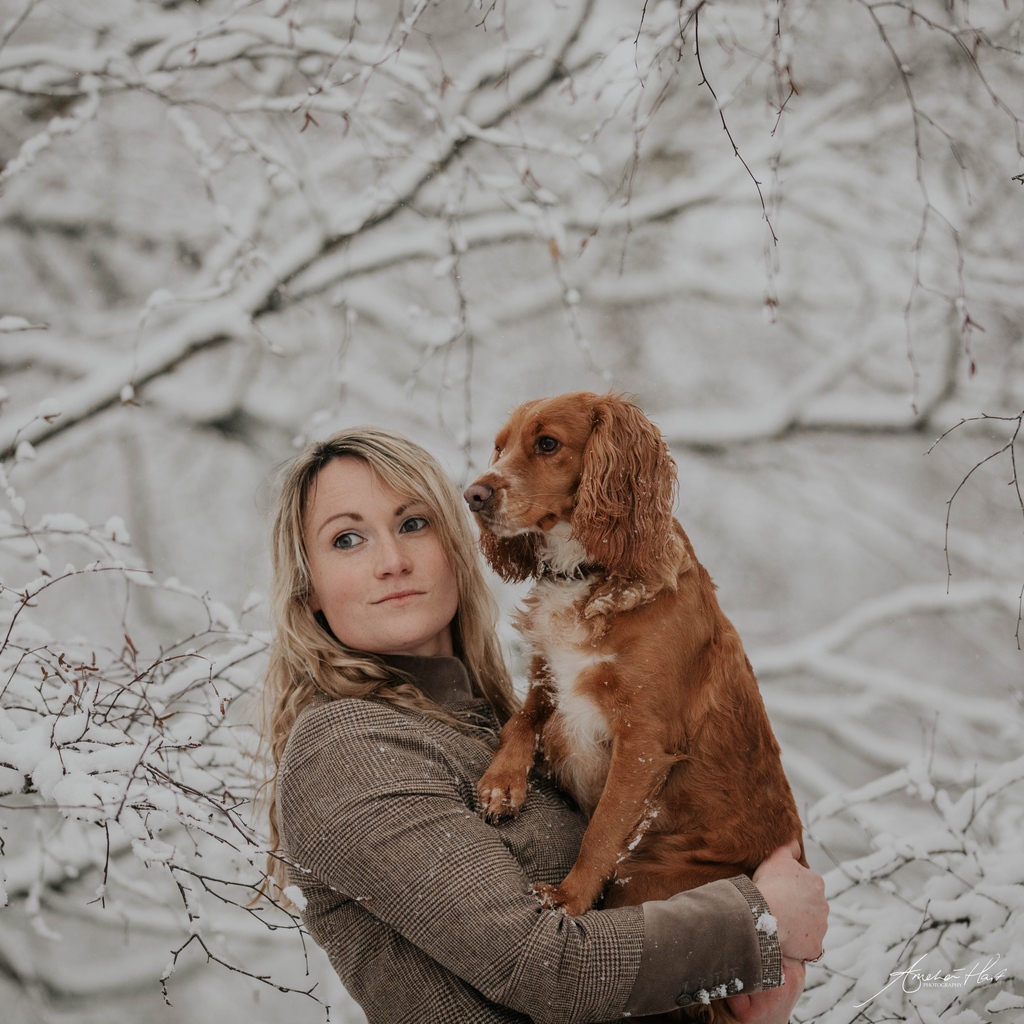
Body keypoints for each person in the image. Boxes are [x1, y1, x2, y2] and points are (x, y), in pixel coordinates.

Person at [260, 426, 828, 1024]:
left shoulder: (499, 726)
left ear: (455, 544)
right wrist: (758, 920)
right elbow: (543, 970)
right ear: (309, 592)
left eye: (412, 524)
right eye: (347, 540)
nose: (393, 562)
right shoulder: (349, 745)